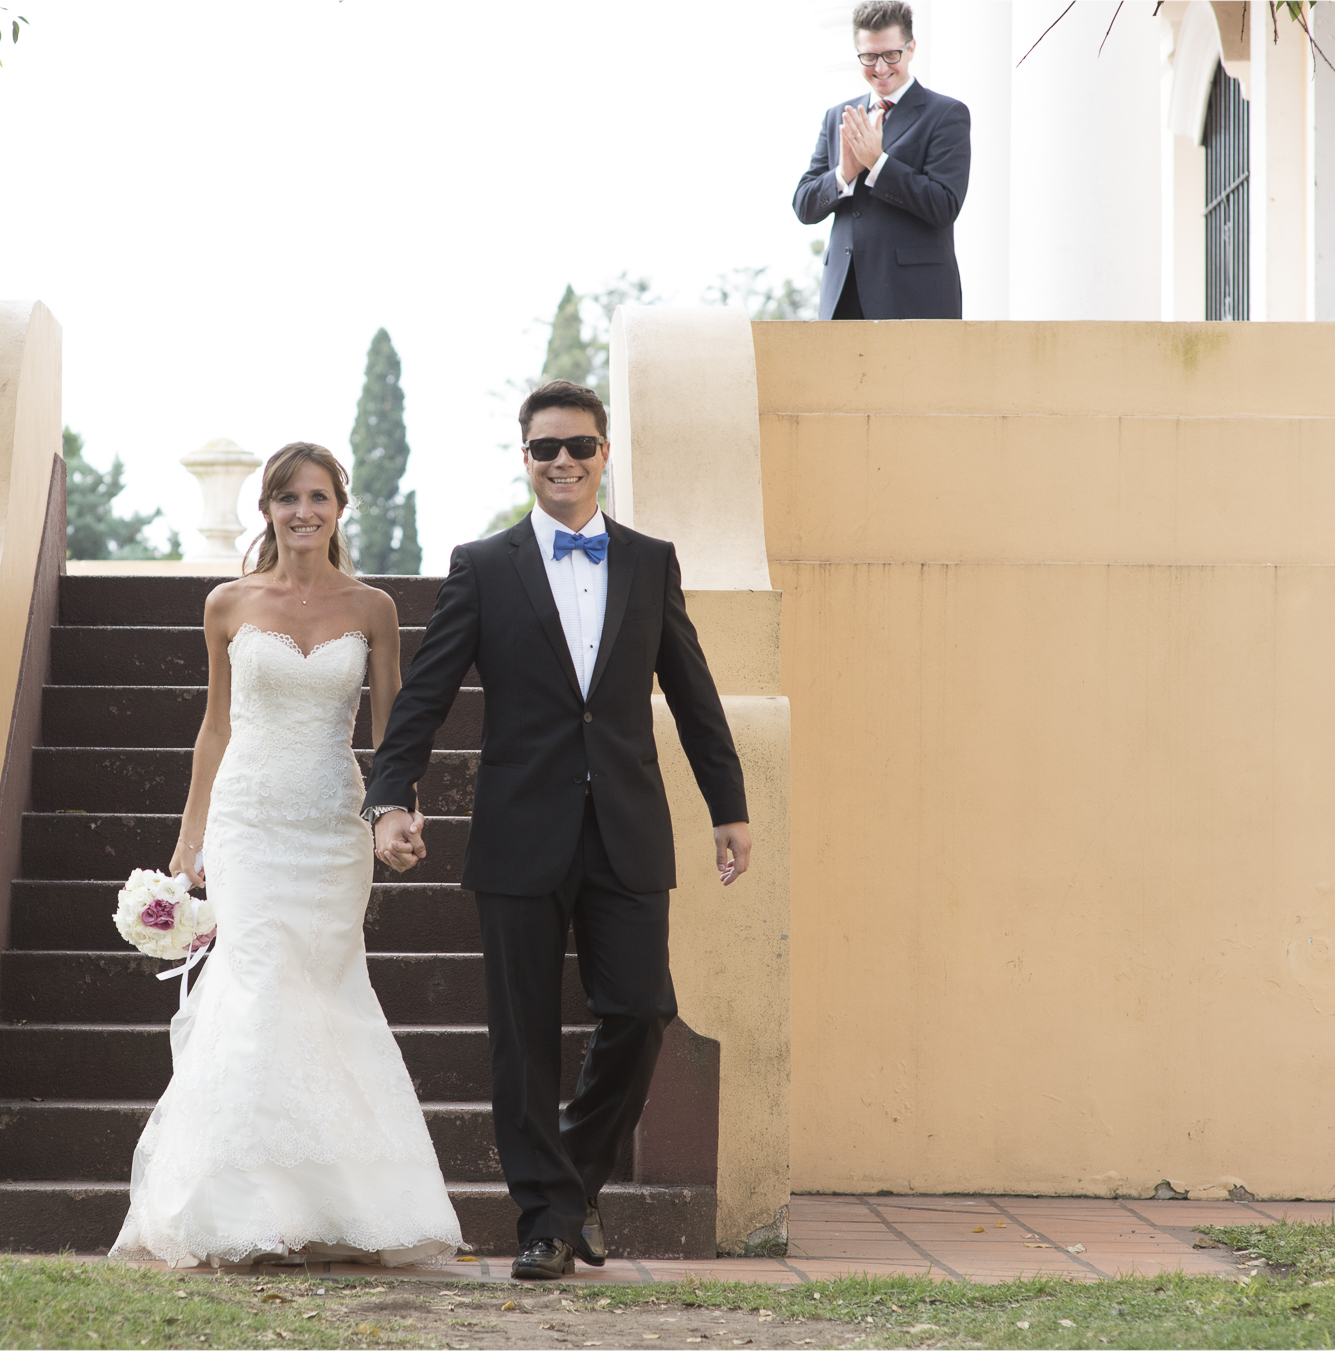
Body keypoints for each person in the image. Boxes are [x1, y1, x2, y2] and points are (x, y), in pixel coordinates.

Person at [365, 380, 753, 1281]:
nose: (563, 461)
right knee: (523, 1034)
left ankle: (569, 1184)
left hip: (626, 825)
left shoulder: (652, 562)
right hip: (520, 829)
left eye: (579, 445)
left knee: (643, 1008)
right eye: (546, 449)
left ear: (605, 454)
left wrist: (727, 806)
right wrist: (391, 793)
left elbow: (692, 694)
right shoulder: (484, 565)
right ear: (526, 459)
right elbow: (423, 697)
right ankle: (545, 1219)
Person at [110, 442, 462, 1268]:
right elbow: (216, 724)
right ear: (265, 509)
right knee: (258, 982)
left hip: (333, 825)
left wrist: (399, 812)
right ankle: (245, 1208)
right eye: (286, 498)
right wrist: (188, 841)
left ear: (340, 507)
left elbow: (392, 730)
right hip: (249, 822)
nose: (302, 511)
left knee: (327, 992)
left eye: (317, 496)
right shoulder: (227, 604)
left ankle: (338, 1206)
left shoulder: (373, 607)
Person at [793, 0, 971, 320]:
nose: (880, 68)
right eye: (869, 56)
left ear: (911, 47)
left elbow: (945, 205)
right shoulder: (838, 116)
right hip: (843, 296)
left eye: (891, 55)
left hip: (914, 298)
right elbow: (804, 206)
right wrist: (844, 172)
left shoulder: (946, 114)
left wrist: (878, 164)